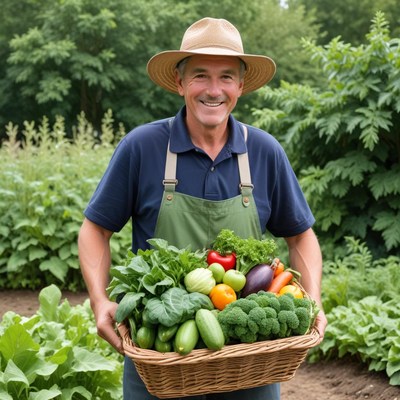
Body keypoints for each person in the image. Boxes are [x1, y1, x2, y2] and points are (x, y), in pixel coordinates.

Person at [78, 17, 328, 400]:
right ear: (179, 82)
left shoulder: (264, 152)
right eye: (200, 76)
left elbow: (301, 235)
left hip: (248, 356)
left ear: (241, 86)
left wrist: (314, 301)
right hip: (159, 350)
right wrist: (99, 302)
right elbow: (95, 229)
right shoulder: (142, 147)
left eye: (227, 77)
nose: (214, 90)